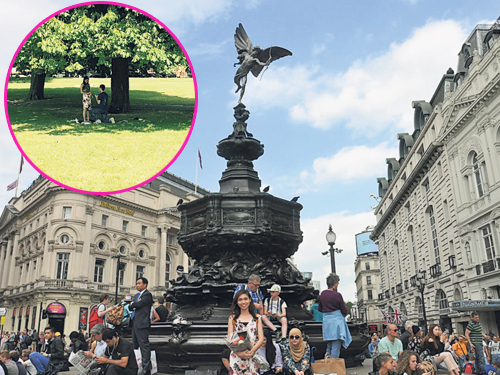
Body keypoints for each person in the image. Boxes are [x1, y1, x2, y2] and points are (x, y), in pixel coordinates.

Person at [227, 289, 265, 375]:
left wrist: (251, 351)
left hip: (252, 356)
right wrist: (239, 353)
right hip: (236, 357)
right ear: (236, 302)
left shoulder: (257, 317)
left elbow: (261, 338)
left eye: (245, 299)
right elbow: (230, 339)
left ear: (250, 300)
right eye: (240, 300)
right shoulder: (232, 318)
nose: (243, 302)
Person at [318, 273, 352, 358]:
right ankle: (333, 366)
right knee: (336, 347)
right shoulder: (337, 295)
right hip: (336, 323)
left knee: (329, 346)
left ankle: (328, 365)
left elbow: (320, 308)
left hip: (327, 322)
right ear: (335, 284)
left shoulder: (322, 294)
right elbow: (344, 310)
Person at [128, 277, 153, 375]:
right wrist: (134, 304)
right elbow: (132, 305)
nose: (137, 285)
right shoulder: (136, 296)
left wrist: (134, 304)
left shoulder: (147, 295)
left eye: (139, 283)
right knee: (135, 345)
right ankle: (137, 365)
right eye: (136, 283)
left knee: (144, 346)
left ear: (145, 284)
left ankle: (146, 367)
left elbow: (138, 305)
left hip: (142, 324)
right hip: (134, 322)